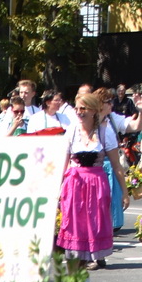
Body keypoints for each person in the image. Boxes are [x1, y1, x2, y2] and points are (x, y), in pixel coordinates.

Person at [56, 91, 127, 269]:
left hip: (96, 185)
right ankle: (74, 273)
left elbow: (117, 165)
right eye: (77, 108)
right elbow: (63, 166)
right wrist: (57, 191)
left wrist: (124, 193)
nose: (79, 112)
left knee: (92, 228)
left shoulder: (104, 131)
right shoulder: (72, 131)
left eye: (84, 108)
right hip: (75, 184)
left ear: (94, 110)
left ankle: (83, 267)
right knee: (73, 228)